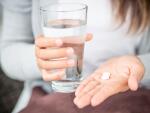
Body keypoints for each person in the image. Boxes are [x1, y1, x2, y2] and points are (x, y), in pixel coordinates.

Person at [0, 0, 150, 113]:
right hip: (50, 93)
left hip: (126, 92)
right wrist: (39, 60)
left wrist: (140, 65)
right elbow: (9, 50)